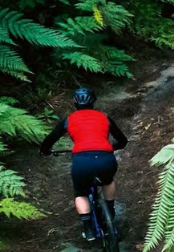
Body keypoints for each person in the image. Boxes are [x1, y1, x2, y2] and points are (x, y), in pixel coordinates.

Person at [40, 87, 129, 240]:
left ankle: (88, 229)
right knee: (108, 181)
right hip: (105, 159)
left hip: (82, 162)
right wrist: (113, 147)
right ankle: (110, 211)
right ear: (93, 101)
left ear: (74, 103)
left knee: (81, 192)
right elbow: (122, 140)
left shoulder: (69, 120)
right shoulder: (104, 117)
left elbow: (49, 140)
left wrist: (45, 150)